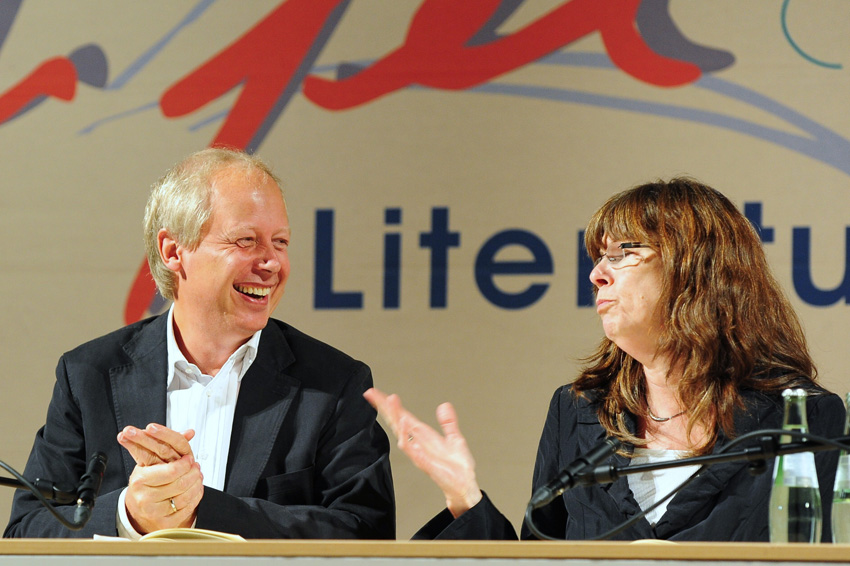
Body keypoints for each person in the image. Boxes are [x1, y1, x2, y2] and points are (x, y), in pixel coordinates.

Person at [366, 178, 845, 541]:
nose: (596, 275)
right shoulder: (578, 413)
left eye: (622, 254)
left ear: (695, 267)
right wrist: (464, 497)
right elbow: (540, 559)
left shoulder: (800, 416)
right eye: (597, 257)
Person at [5, 148, 395, 539]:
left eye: (280, 242)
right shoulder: (89, 375)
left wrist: (199, 511)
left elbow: (365, 533)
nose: (272, 262)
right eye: (246, 240)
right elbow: (27, 531)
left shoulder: (334, 384)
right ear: (173, 251)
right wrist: (130, 514)